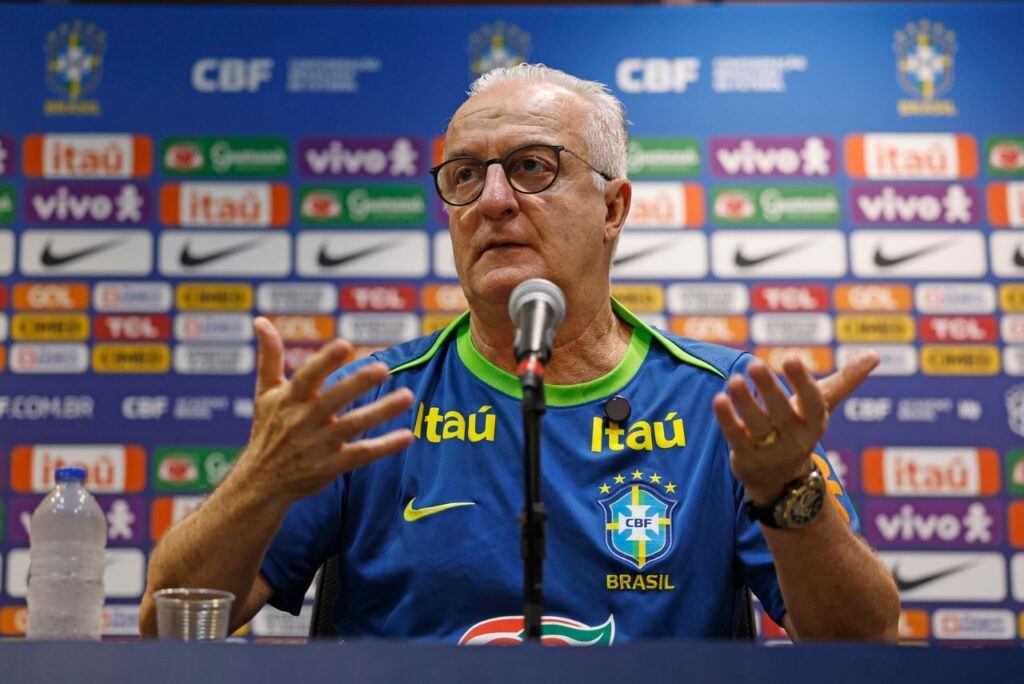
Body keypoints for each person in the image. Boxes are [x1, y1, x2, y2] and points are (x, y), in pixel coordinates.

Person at [140, 64, 899, 643]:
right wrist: (262, 481)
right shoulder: (367, 404)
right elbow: (167, 619)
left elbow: (864, 643)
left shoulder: (721, 402)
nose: (494, 200)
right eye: (465, 175)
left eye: (533, 166)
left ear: (612, 206)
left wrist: (786, 494)